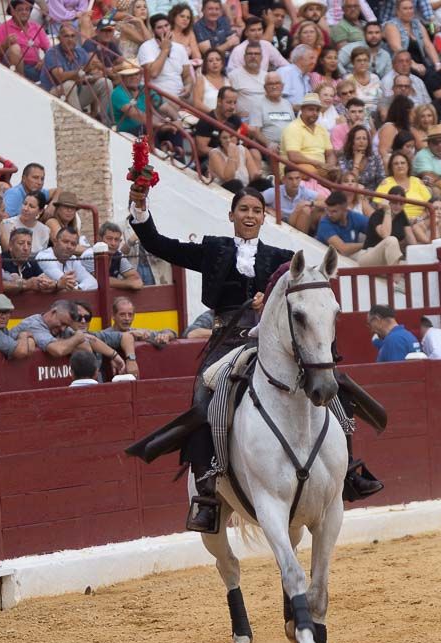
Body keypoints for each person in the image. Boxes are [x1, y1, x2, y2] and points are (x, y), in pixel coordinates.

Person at [125, 184, 384, 532]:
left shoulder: (281, 258)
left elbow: (302, 296)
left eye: (256, 210)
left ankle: (349, 469)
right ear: (231, 215)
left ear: (264, 217)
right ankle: (207, 489)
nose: (250, 215)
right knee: (204, 397)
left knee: (332, 386)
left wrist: (273, 300)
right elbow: (160, 245)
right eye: (243, 209)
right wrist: (140, 210)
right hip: (226, 340)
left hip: (271, 341)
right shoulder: (213, 250)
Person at [317, 190, 402, 266]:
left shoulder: (353, 216)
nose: (329, 214)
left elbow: (375, 230)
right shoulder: (325, 223)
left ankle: (395, 278)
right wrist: (367, 243)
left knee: (391, 244)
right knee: (389, 244)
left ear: (345, 209)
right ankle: (395, 278)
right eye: (327, 210)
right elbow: (343, 249)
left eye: (334, 211)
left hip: (354, 256)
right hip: (330, 260)